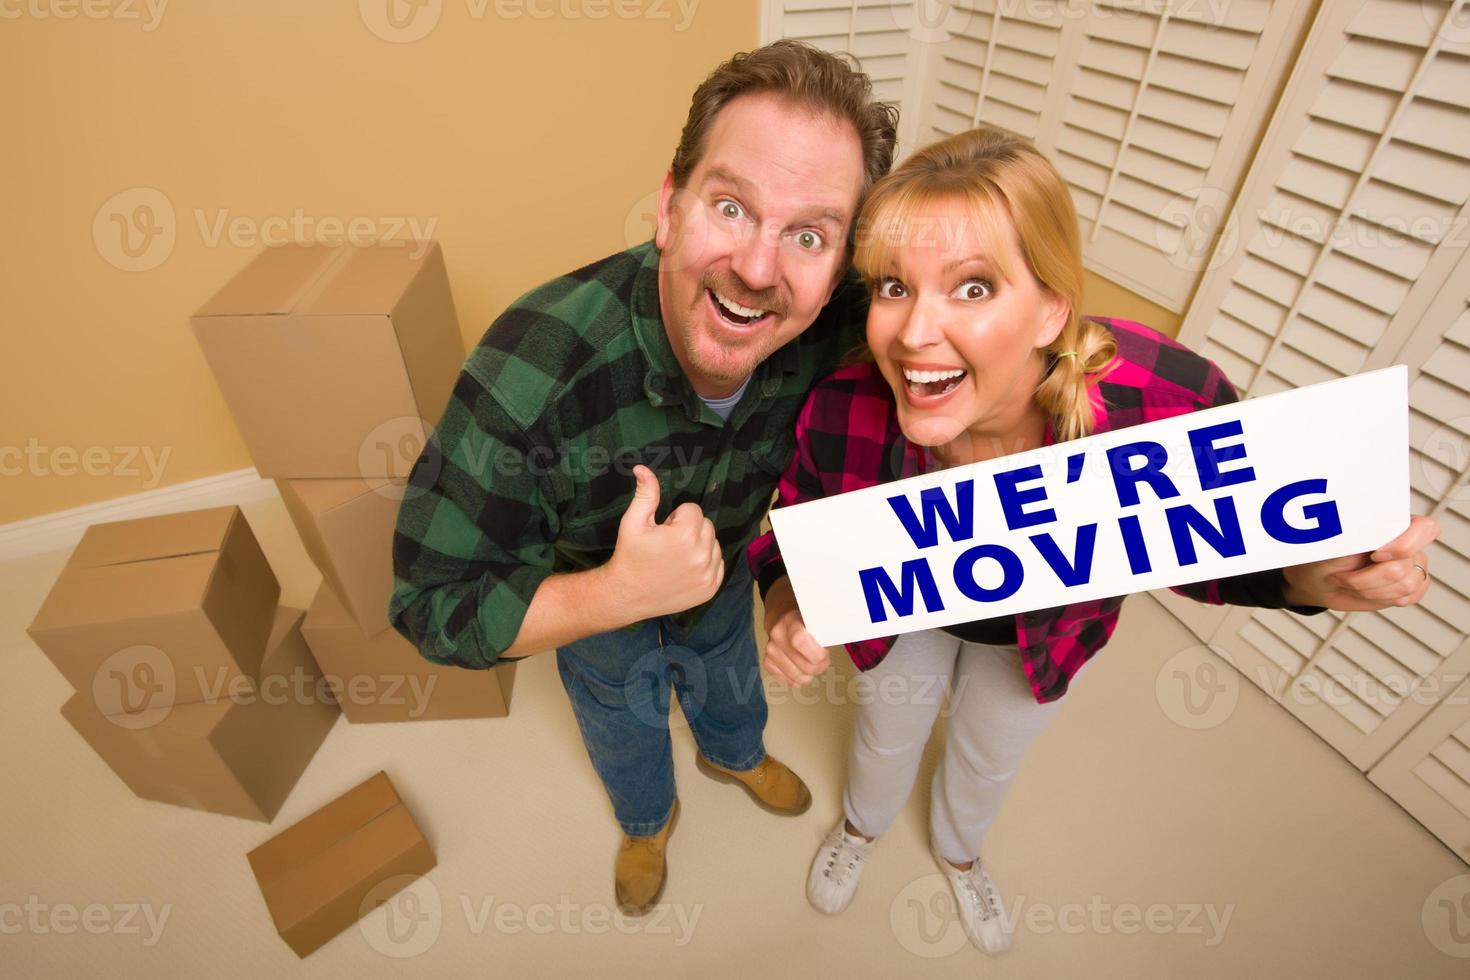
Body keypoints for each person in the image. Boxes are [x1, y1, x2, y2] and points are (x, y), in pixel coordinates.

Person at [747, 126, 1440, 956]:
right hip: (906, 618)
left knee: (988, 754)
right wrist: (789, 603)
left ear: (1051, 307)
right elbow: (794, 529)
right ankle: (860, 828)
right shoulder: (842, 404)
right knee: (886, 732)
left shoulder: (1159, 396)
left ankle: (960, 853)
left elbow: (1223, 542)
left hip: (1045, 632)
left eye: (972, 288)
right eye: (895, 287)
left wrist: (1313, 582)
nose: (913, 334)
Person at [388, 41, 899, 915]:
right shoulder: (532, 367)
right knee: (623, 729)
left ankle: (733, 756)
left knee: (736, 689)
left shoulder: (843, 322)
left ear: (842, 261)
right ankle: (646, 823)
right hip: (593, 610)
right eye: (731, 206)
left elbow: (988, 360)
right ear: (669, 206)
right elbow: (430, 606)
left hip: (725, 582)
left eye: (809, 233)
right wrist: (612, 596)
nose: (758, 269)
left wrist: (784, 592)